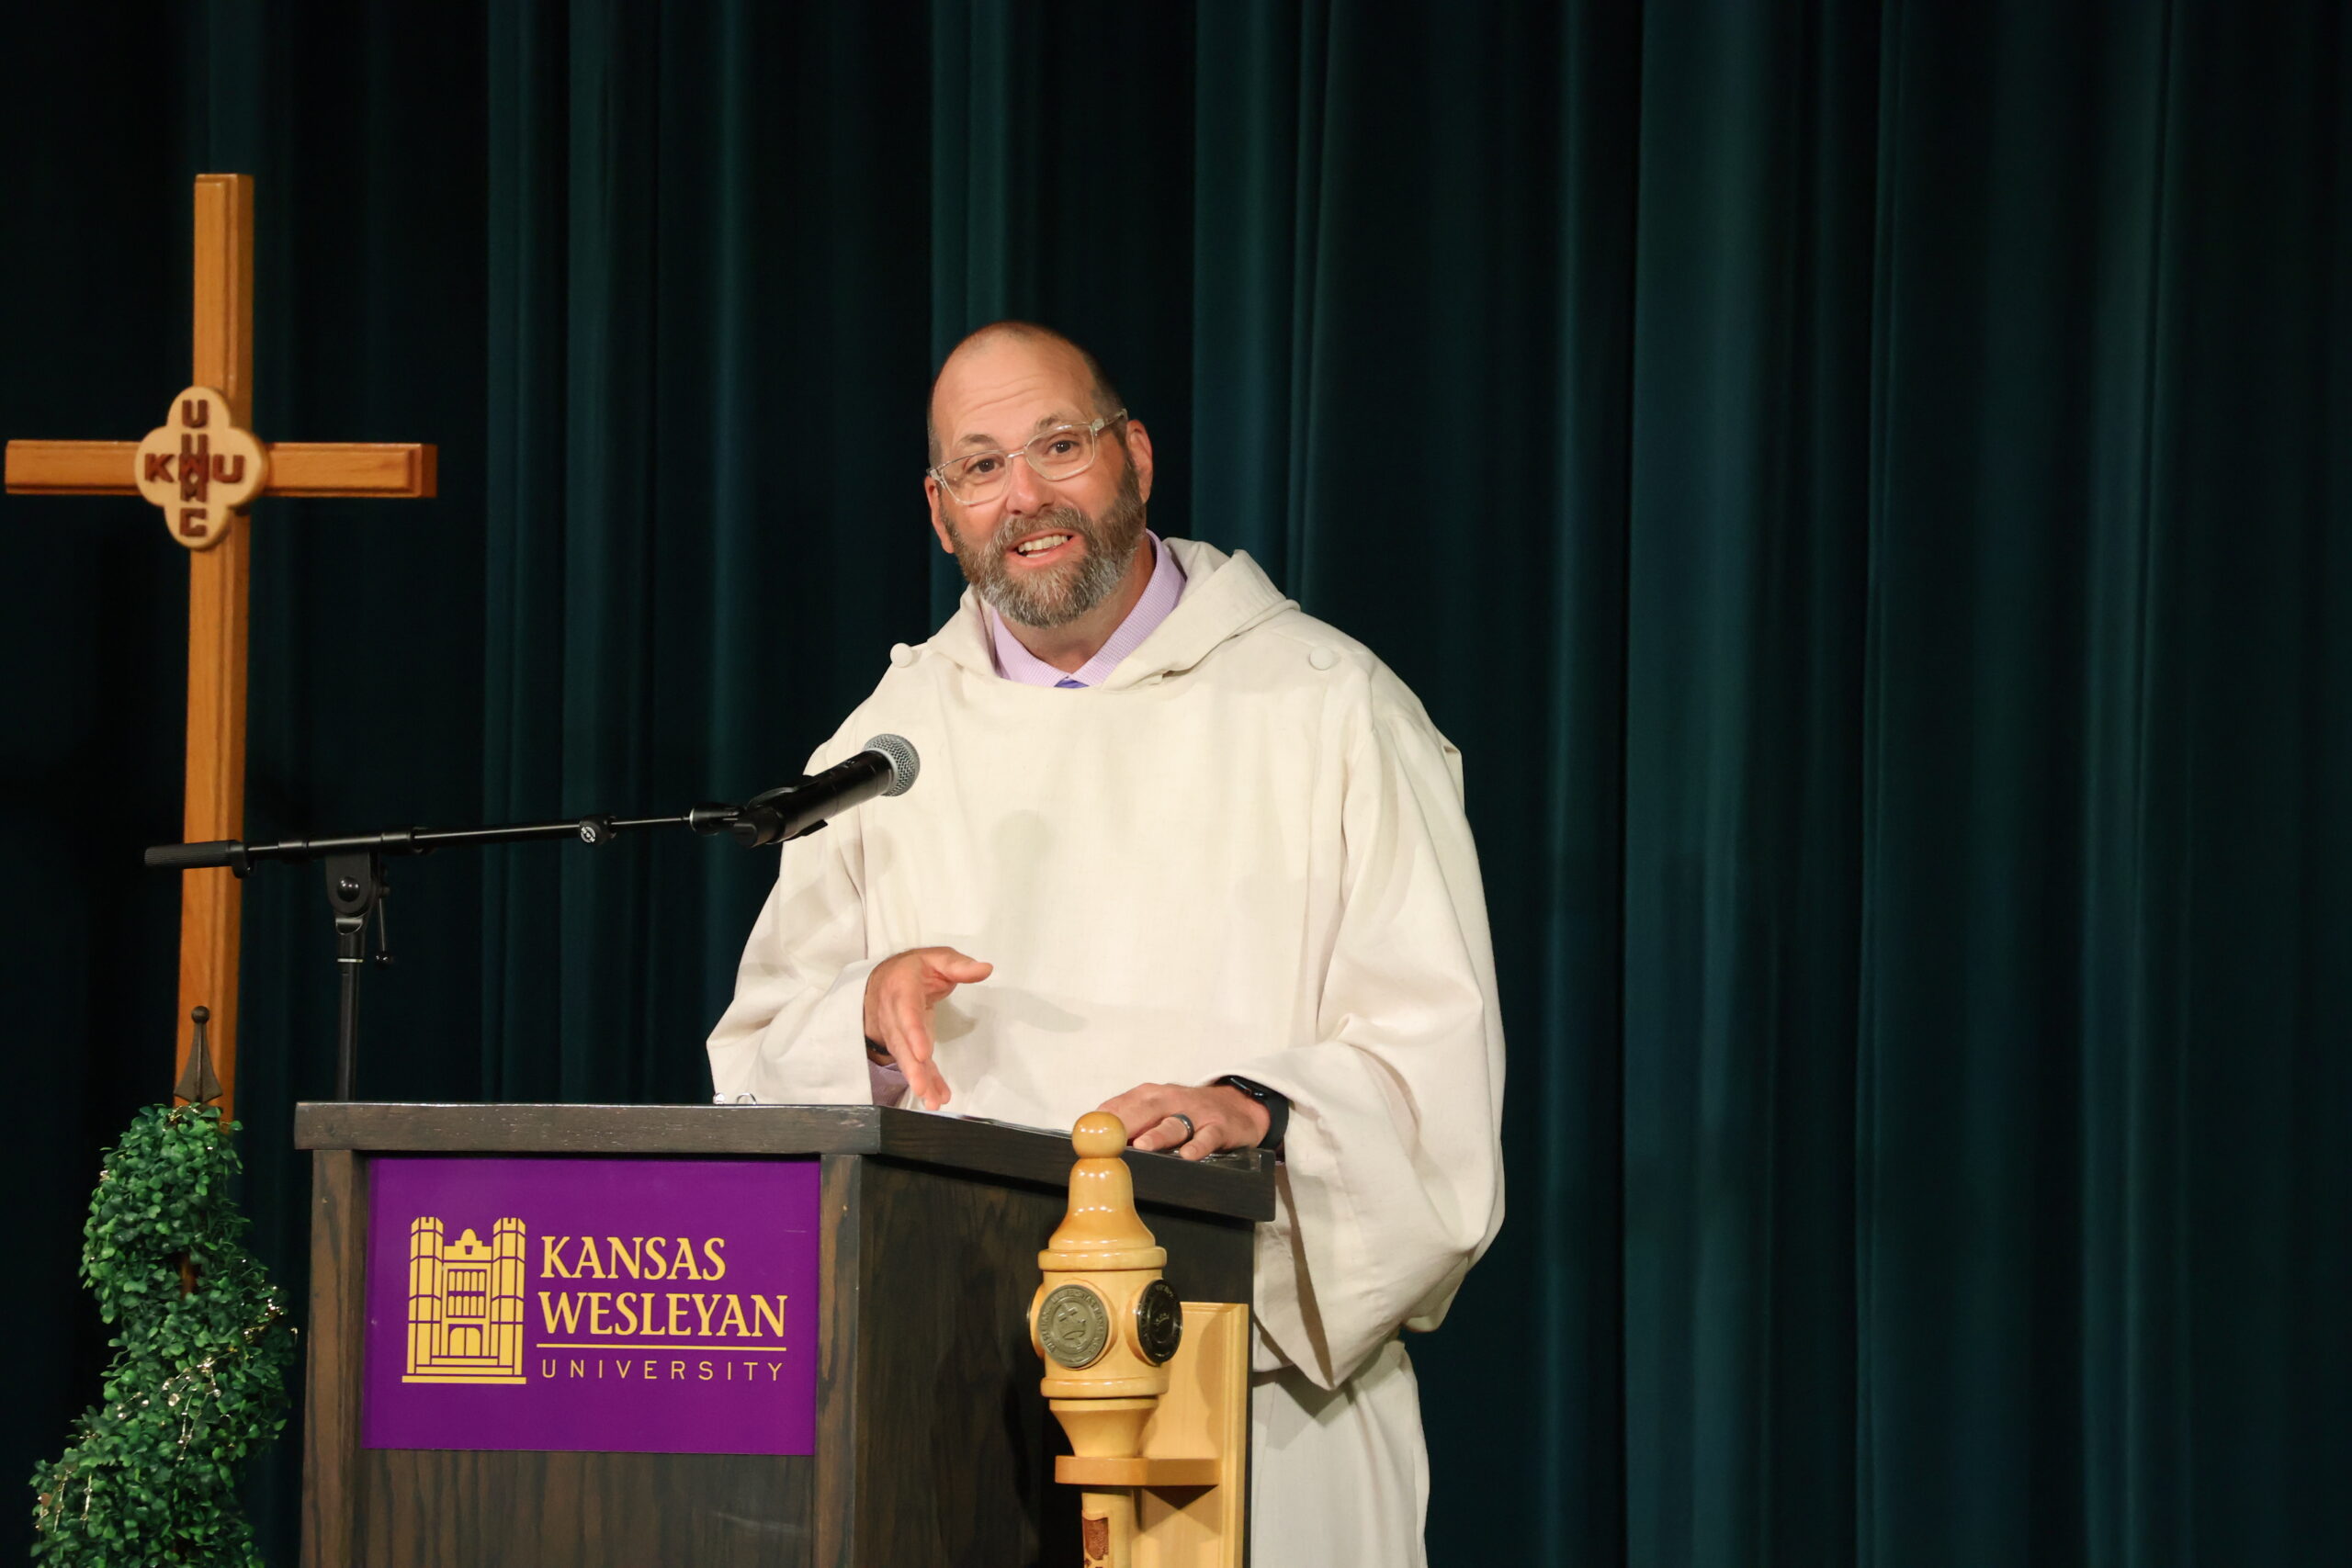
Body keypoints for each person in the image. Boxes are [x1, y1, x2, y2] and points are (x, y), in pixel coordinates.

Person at [707, 321, 1505, 1566]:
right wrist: (861, 1020)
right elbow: (758, 1069)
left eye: (1058, 447)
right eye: (979, 467)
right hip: (943, 1408)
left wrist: (1261, 1111)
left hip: (1243, 1402)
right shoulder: (887, 743)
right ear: (938, 510)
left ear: (1133, 456)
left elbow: (1434, 1078)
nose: (1023, 496)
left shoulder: (1328, 709)